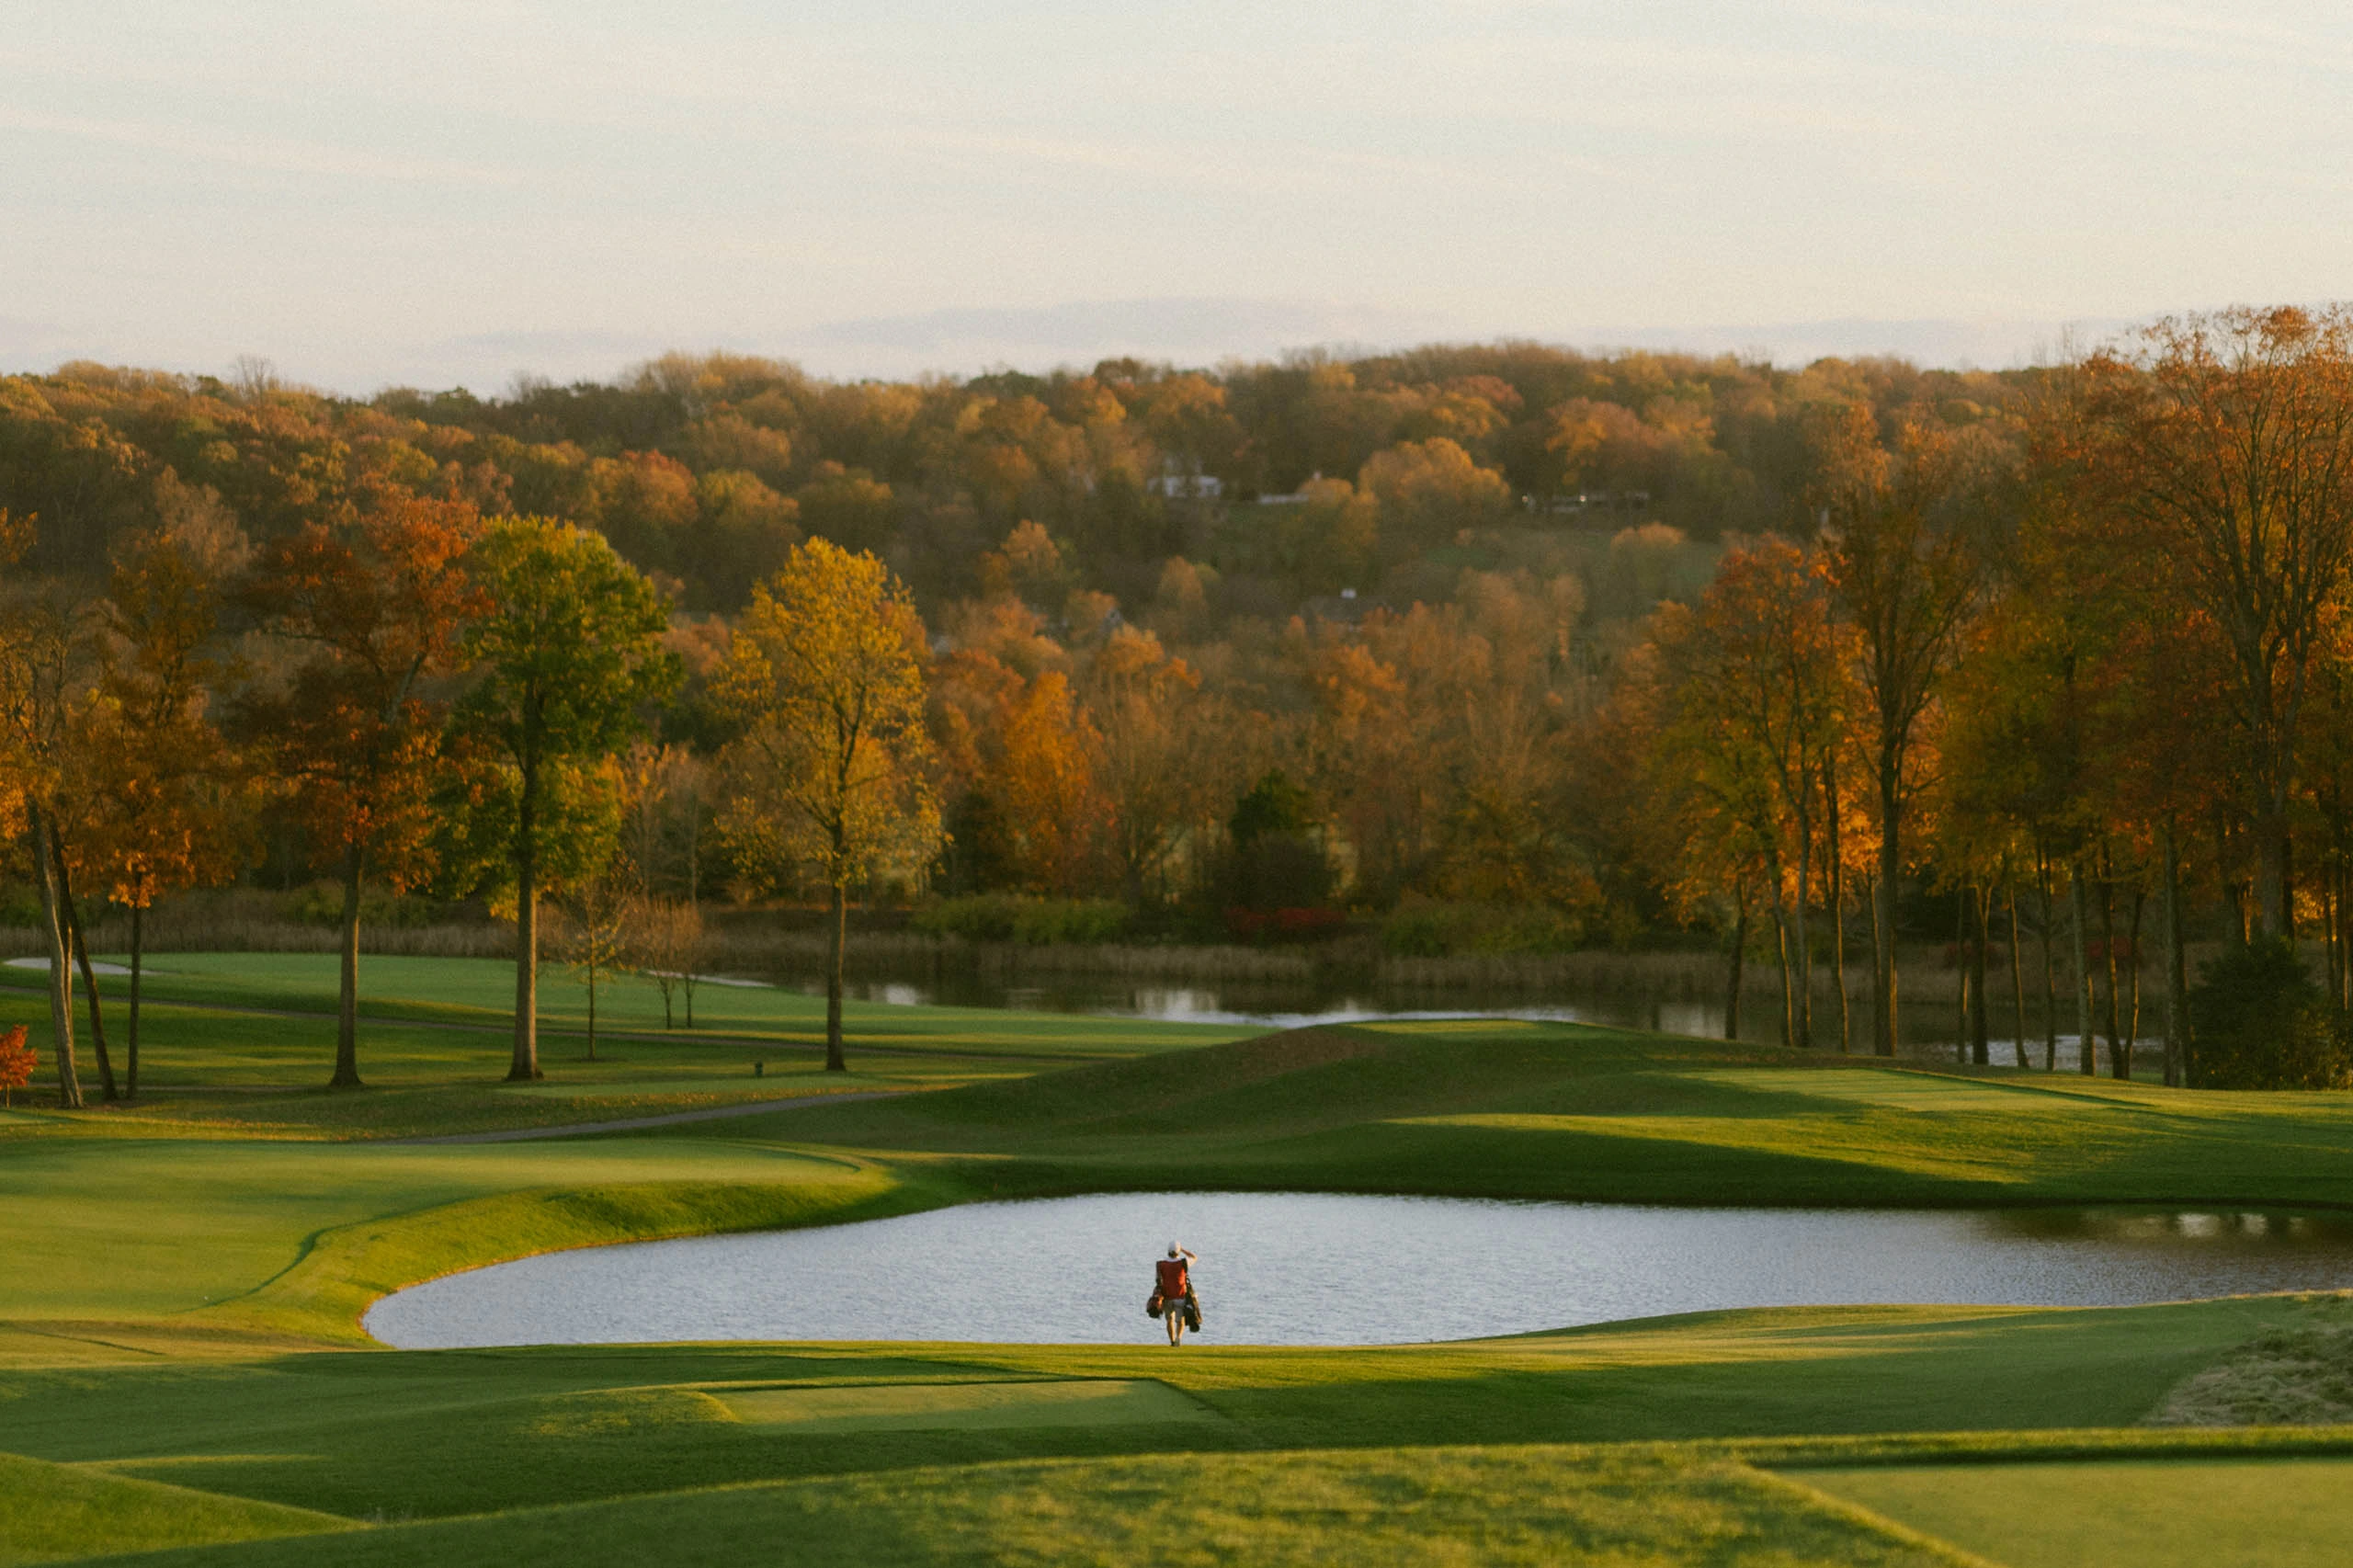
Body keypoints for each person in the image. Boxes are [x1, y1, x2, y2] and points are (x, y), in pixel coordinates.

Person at [1154, 1244, 1198, 1343]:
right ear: (1178, 1252)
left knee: (1169, 1320)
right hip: (1180, 1296)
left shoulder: (1161, 1264)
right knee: (1180, 1320)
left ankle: (1172, 1341)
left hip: (1167, 1297)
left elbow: (1157, 1279)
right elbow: (1194, 1257)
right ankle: (1179, 1337)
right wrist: (1183, 1250)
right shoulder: (1183, 1262)